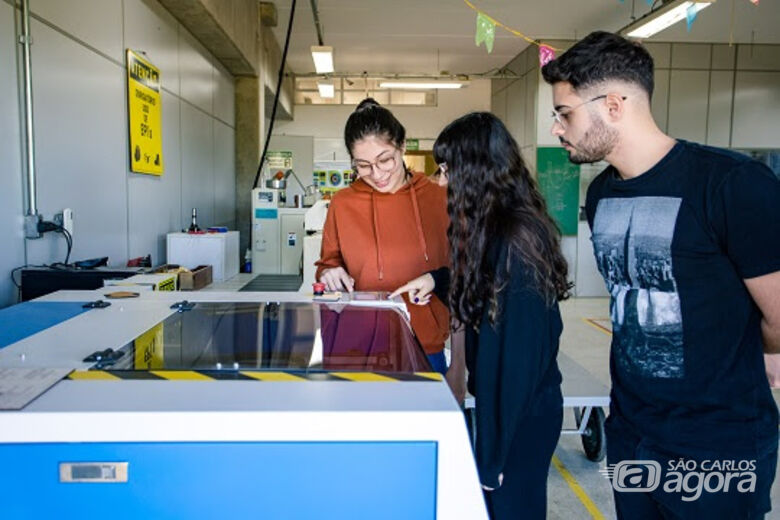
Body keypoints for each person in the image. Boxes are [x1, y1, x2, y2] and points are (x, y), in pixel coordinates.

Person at [542, 31, 780, 519]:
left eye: (564, 113)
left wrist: (753, 356)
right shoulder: (604, 193)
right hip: (633, 432)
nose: (556, 129)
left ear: (612, 104)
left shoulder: (731, 184)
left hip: (718, 440)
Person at [399, 112, 569, 519]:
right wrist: (436, 280)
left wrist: (494, 454)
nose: (442, 182)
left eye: (446, 170)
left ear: (475, 170)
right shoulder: (496, 228)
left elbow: (518, 364)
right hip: (505, 410)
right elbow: (481, 282)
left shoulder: (517, 239)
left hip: (520, 418)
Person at [315, 98, 456, 378]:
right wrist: (329, 272)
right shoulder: (343, 203)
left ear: (402, 146)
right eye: (363, 166)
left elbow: (461, 272)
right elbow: (327, 263)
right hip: (357, 340)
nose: (377, 175)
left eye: (385, 160)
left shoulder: (438, 198)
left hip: (424, 340)